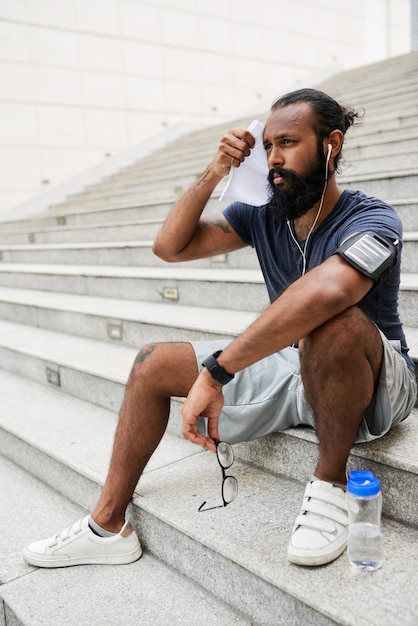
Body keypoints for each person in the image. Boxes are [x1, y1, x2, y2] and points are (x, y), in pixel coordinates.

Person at [23, 88, 416, 569]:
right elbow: (170, 247)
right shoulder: (263, 216)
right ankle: (107, 526)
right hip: (299, 364)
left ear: (331, 145)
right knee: (152, 364)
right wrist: (214, 173)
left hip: (377, 378)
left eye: (288, 143)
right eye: (268, 145)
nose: (273, 158)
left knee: (330, 321)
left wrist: (215, 372)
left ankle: (330, 484)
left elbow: (330, 292)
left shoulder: (373, 218)